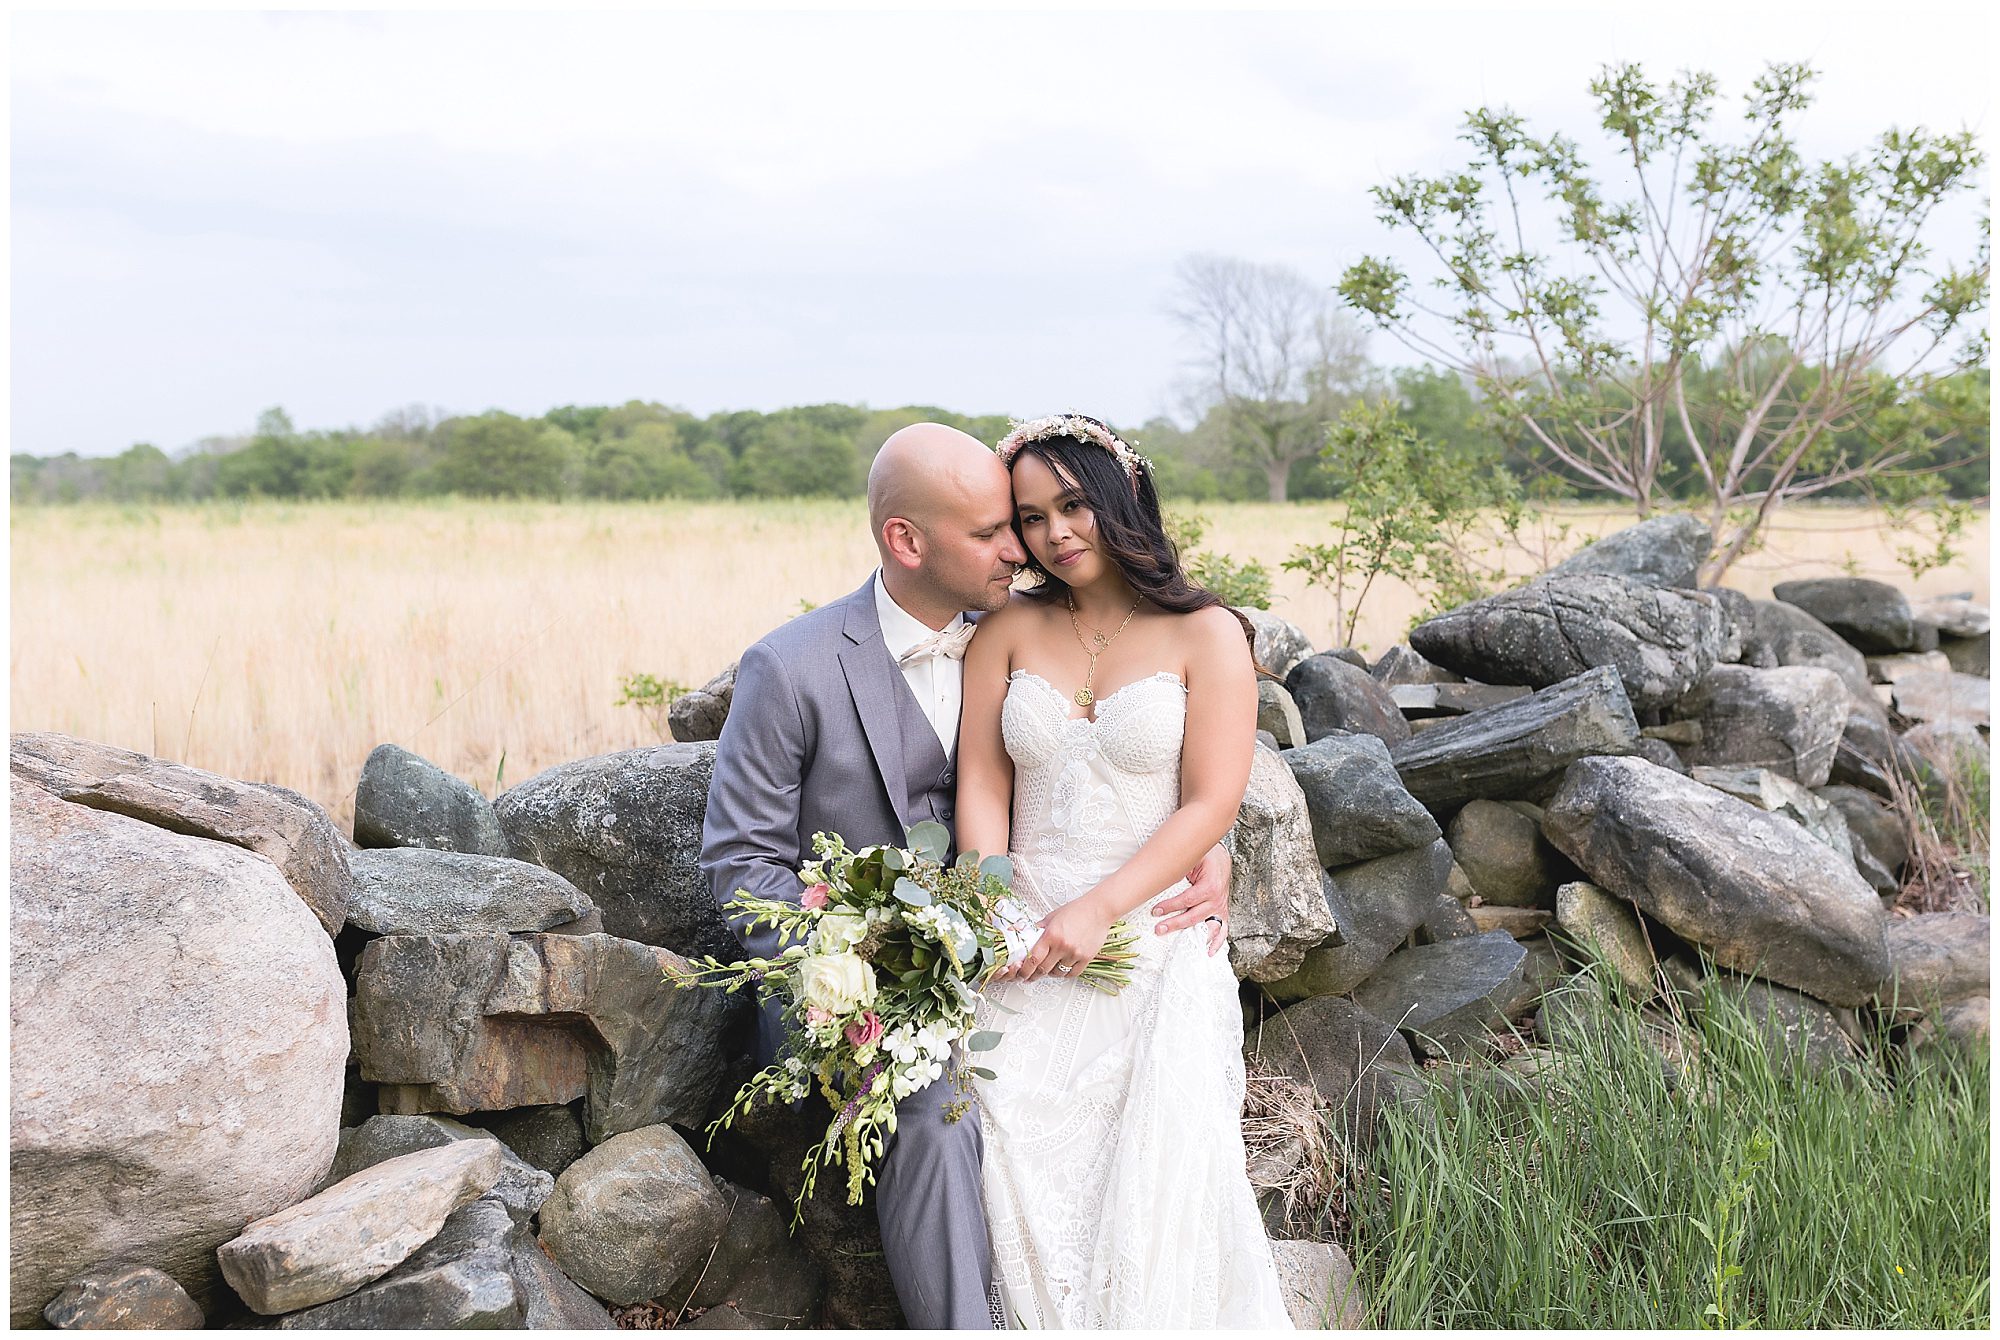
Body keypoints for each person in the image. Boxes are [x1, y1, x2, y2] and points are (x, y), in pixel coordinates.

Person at [698, 421, 1237, 1330]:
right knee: (939, 1107)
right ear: (906, 540)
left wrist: (1204, 847)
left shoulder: (1028, 626)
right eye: (998, 531)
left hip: (1040, 944)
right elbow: (741, 863)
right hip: (868, 992)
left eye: (1021, 524)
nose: (1025, 547)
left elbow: (1152, 767)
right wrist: (862, 967)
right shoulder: (790, 669)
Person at [954, 414, 1292, 1328]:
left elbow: (1208, 804)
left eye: (1073, 505)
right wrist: (991, 910)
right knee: (1006, 1142)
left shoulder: (1207, 633)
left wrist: (1102, 907)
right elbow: (982, 787)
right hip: (1019, 934)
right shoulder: (1006, 632)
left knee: (1153, 1170)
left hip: (1151, 928)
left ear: (1123, 497)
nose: (1055, 533)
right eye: (1030, 518)